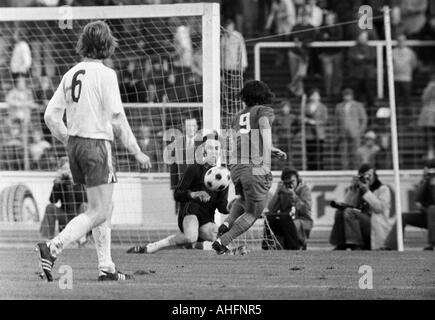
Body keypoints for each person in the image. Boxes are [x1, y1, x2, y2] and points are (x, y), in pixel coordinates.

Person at [38, 20, 151, 282]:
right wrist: (136, 151)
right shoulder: (106, 74)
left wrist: (69, 140)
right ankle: (52, 247)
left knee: (103, 207)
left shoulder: (70, 73)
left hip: (75, 145)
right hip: (97, 145)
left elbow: (50, 117)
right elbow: (117, 118)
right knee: (99, 210)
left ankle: (106, 268)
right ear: (107, 44)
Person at [212, 80, 287, 254]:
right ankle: (223, 241)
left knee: (245, 200)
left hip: (236, 167)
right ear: (264, 95)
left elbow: (235, 140)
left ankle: (227, 223)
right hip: (254, 166)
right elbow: (263, 126)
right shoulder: (263, 110)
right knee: (255, 211)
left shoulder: (237, 116)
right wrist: (268, 150)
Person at [127, 133, 229, 254]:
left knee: (213, 234)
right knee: (190, 236)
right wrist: (193, 194)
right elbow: (178, 194)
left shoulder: (223, 177)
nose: (214, 152)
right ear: (204, 150)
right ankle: (151, 247)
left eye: (217, 148)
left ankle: (191, 245)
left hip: (207, 217)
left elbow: (222, 207)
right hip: (190, 212)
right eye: (210, 148)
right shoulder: (194, 169)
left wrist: (234, 206)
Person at [329, 164, 392, 250]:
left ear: (375, 176)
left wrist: (366, 191)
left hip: (375, 224)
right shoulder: (359, 188)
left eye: (369, 175)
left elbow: (379, 208)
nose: (367, 178)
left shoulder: (383, 189)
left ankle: (355, 244)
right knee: (340, 212)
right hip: (360, 222)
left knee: (350, 212)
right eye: (364, 176)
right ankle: (341, 244)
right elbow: (348, 204)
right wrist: (353, 188)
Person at [382, 159, 435, 251]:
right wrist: (427, 181)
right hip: (429, 218)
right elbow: (418, 198)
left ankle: (432, 244)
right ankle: (390, 245)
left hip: (432, 213)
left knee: (432, 209)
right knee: (403, 217)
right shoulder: (427, 181)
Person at [39, 157, 89, 246]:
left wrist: (74, 184)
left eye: (69, 169)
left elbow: (84, 199)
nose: (66, 172)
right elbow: (53, 200)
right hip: (65, 216)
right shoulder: (60, 183)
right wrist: (57, 184)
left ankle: (82, 238)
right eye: (64, 169)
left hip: (78, 217)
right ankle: (48, 240)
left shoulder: (79, 181)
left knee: (85, 206)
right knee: (50, 207)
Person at [263, 167, 313, 250]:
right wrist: (277, 193)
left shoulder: (304, 189)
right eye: (287, 183)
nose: (290, 185)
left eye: (292, 181)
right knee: (271, 218)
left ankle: (295, 246)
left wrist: (294, 196)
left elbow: (306, 211)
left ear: (298, 179)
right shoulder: (282, 190)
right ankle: (268, 245)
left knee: (288, 221)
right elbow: (271, 209)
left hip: (302, 219)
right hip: (285, 219)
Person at [335, 88, 367, 170]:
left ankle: (356, 169)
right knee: (344, 153)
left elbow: (363, 119)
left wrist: (360, 131)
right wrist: (337, 132)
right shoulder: (339, 106)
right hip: (343, 132)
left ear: (352, 96)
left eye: (349, 95)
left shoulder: (358, 105)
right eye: (345, 95)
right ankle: (344, 169)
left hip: (355, 132)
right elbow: (336, 120)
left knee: (355, 152)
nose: (347, 97)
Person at [316, 11, 343, 98]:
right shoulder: (322, 28)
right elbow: (320, 38)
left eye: (330, 18)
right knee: (328, 74)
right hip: (326, 54)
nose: (328, 20)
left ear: (334, 19)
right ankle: (328, 92)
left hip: (337, 53)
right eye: (327, 19)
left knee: (337, 74)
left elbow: (339, 38)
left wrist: (328, 38)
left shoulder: (338, 27)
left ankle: (336, 92)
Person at [348, 31, 376, 112]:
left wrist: (361, 58)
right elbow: (352, 57)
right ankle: (357, 107)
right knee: (357, 92)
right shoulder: (353, 48)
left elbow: (371, 57)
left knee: (369, 91)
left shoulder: (370, 48)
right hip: (357, 75)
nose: (362, 39)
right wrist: (362, 58)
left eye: (364, 38)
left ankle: (370, 107)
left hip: (368, 74)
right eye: (361, 37)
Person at [392, 33, 418, 119]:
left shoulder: (410, 52)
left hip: (406, 78)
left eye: (402, 40)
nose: (401, 42)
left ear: (405, 41)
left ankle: (408, 117)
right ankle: (394, 116)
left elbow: (414, 64)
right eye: (399, 40)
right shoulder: (392, 52)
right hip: (395, 78)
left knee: (407, 99)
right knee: (394, 99)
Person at [305, 88, 328, 170]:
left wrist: (315, 122)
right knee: (310, 154)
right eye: (313, 95)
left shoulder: (323, 107)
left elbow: (325, 119)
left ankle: (320, 169)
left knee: (319, 154)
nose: (315, 97)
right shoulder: (306, 106)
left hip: (319, 133)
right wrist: (307, 120)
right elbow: (301, 117)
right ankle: (310, 169)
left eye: (316, 95)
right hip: (309, 134)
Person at [417, 75, 435, 159]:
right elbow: (424, 99)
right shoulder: (430, 86)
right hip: (428, 116)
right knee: (428, 137)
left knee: (430, 137)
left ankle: (430, 153)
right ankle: (429, 154)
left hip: (429, 116)